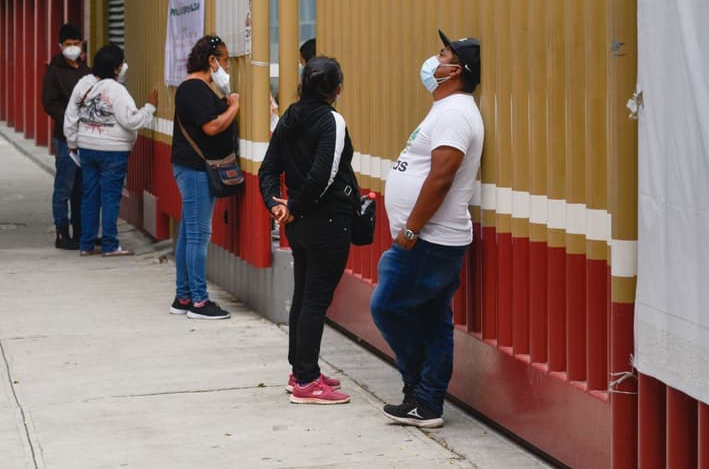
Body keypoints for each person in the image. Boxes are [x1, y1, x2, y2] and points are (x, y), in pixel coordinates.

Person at [370, 30, 484, 428]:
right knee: (435, 320)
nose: (433, 59)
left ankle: (418, 388)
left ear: (455, 70)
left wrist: (412, 230)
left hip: (430, 239)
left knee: (386, 307)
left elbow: (442, 176)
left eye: (442, 54)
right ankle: (427, 404)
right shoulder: (445, 108)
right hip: (431, 238)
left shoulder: (455, 113)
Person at [258, 56, 358, 404]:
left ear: (302, 85)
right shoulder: (333, 121)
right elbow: (324, 175)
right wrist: (293, 206)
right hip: (326, 222)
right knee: (315, 299)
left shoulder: (289, 116)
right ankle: (306, 381)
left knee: (303, 295)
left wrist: (278, 206)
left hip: (297, 224)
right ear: (338, 89)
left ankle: (302, 369)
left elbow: (268, 168)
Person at [64, 44, 157, 257]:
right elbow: (130, 120)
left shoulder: (83, 83)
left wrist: (73, 143)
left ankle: (86, 244)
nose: (124, 66)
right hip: (113, 152)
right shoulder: (117, 90)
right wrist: (149, 108)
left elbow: (71, 116)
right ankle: (110, 245)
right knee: (110, 198)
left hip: (87, 148)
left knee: (89, 197)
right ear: (115, 68)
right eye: (122, 63)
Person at [170, 35, 239, 320]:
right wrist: (233, 105)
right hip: (197, 169)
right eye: (223, 61)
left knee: (189, 233)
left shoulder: (193, 88)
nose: (225, 68)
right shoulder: (195, 88)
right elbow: (211, 127)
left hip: (191, 167)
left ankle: (183, 296)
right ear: (211, 61)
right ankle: (199, 301)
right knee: (199, 235)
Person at [41, 23, 91, 250]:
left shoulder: (86, 71)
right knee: (64, 187)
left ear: (82, 45)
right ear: (60, 46)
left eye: (76, 44)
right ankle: (61, 232)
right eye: (68, 44)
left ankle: (80, 231)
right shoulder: (54, 70)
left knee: (81, 188)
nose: (72, 48)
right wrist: (70, 118)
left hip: (86, 138)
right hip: (64, 138)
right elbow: (49, 103)